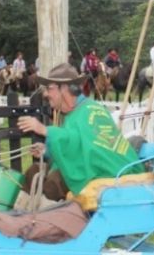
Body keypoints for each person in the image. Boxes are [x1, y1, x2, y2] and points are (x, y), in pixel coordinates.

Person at [16, 63, 144, 199]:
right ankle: (23, 215)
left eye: (49, 88)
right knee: (34, 171)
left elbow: (83, 144)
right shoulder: (76, 113)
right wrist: (47, 151)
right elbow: (77, 146)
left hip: (105, 171)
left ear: (63, 88)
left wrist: (44, 129)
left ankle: (46, 218)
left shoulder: (89, 110)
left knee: (54, 183)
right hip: (88, 167)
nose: (46, 94)